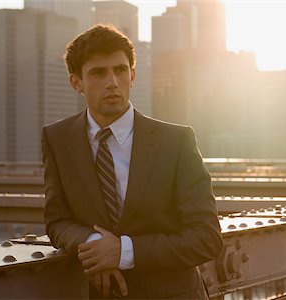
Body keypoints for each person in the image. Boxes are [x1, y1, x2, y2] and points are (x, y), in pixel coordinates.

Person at [42, 24, 222, 299]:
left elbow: (206, 238)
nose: (112, 82)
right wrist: (95, 248)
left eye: (120, 70)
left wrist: (124, 252)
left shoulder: (176, 141)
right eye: (98, 73)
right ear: (76, 82)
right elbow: (57, 221)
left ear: (133, 75)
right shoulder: (57, 138)